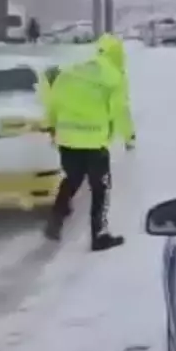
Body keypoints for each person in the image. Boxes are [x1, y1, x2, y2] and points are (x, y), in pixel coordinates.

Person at [41, 33, 136, 251]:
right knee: (100, 188)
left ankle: (54, 222)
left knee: (72, 179)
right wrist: (128, 137)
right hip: (94, 142)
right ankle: (99, 236)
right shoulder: (113, 75)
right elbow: (119, 111)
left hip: (67, 139)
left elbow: (53, 102)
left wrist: (51, 126)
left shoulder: (70, 69)